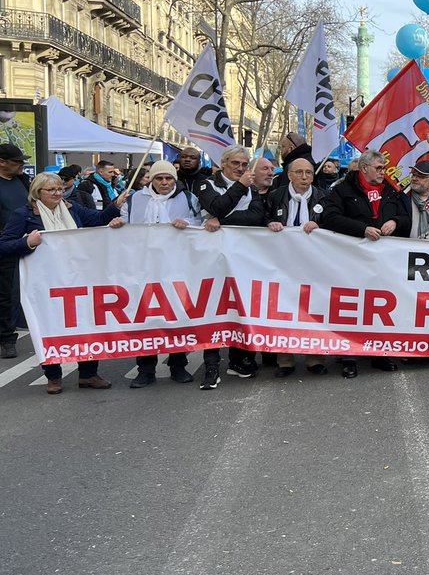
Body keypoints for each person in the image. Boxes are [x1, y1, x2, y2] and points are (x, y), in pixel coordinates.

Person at [0, 172, 127, 393]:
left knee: (85, 325)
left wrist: (115, 206)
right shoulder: (23, 215)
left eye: (59, 189)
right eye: (51, 190)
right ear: (37, 193)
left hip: (77, 279)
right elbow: (4, 247)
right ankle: (53, 376)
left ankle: (88, 374)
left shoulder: (72, 209)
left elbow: (97, 220)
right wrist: (27, 242)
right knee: (49, 327)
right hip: (44, 285)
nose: (58, 193)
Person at [323, 149, 410, 378]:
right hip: (351, 258)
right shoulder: (342, 190)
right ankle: (348, 356)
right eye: (379, 168)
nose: (383, 172)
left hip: (383, 263)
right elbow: (330, 217)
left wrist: (394, 221)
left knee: (380, 306)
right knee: (352, 306)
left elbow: (406, 218)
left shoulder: (391, 191)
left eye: (384, 168)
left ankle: (379, 352)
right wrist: (361, 229)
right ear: (364, 169)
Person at [120, 161, 202, 386]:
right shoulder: (135, 198)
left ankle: (178, 365)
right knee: (146, 317)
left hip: (177, 267)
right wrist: (118, 223)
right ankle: (145, 369)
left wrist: (187, 223)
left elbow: (201, 222)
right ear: (151, 180)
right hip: (143, 267)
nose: (164, 183)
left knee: (177, 314)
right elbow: (125, 222)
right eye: (159, 178)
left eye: (169, 179)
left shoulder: (188, 199)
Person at [194, 146, 269, 388]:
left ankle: (238, 360)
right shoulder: (207, 184)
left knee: (238, 306)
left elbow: (255, 217)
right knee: (213, 308)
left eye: (244, 164)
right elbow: (216, 206)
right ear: (224, 163)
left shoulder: (250, 187)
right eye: (236, 163)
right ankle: (211, 365)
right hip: (211, 258)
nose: (240, 168)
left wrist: (222, 221)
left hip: (240, 258)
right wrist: (239, 189)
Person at [266, 157, 329, 378]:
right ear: (289, 175)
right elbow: (262, 218)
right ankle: (285, 360)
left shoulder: (324, 197)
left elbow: (334, 222)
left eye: (309, 173)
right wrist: (269, 224)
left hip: (314, 265)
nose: (304, 177)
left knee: (314, 308)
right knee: (283, 308)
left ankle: (315, 358)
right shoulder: (275, 196)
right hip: (282, 264)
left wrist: (321, 225)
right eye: (300, 173)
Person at [0, 143, 32, 358]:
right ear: (2, 162)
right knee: (4, 294)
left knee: (16, 292)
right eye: (17, 161)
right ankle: (6, 338)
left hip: (24, 245)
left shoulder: (22, 180)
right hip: (4, 245)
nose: (22, 165)